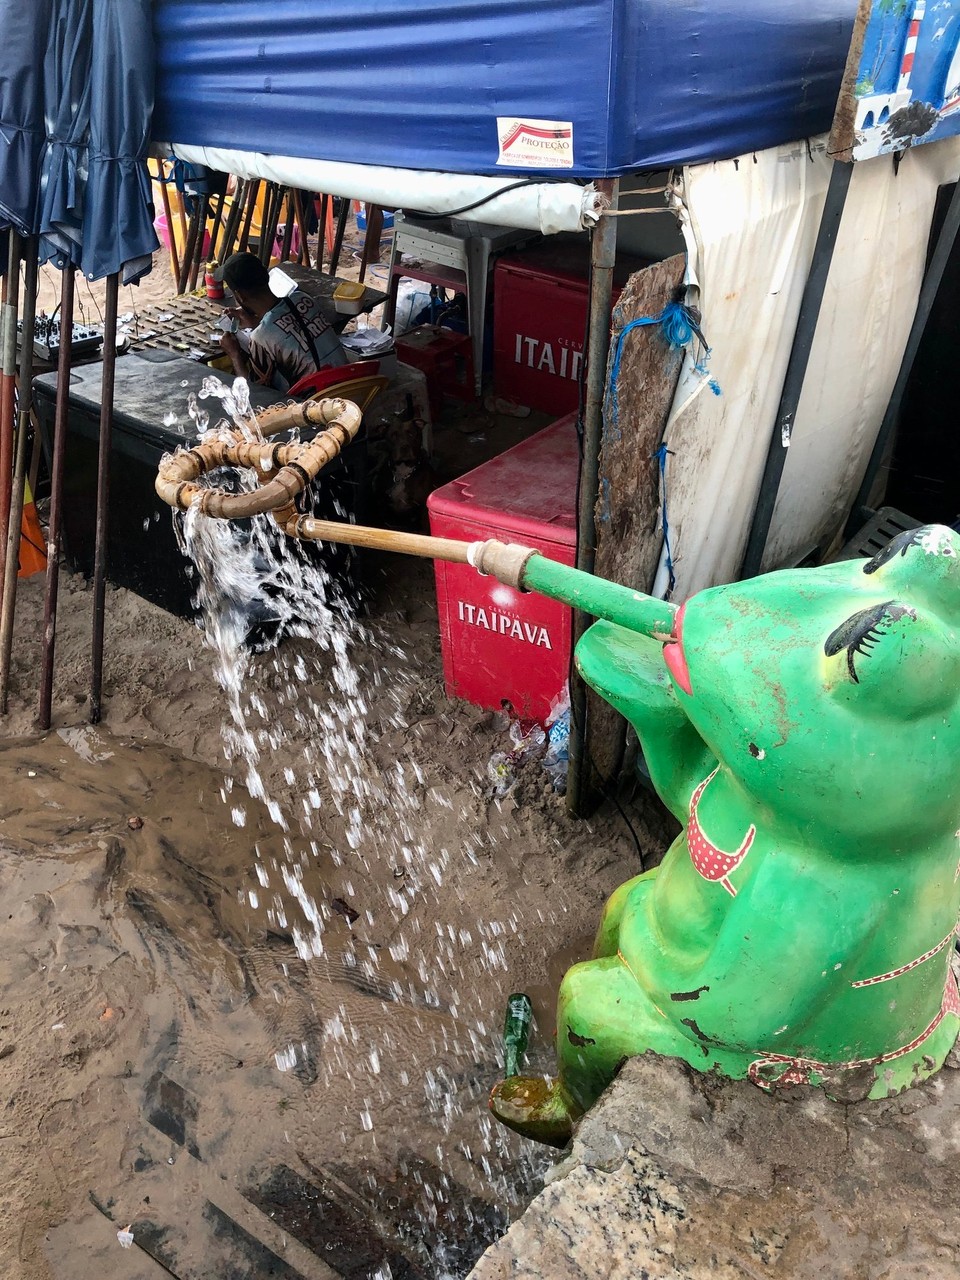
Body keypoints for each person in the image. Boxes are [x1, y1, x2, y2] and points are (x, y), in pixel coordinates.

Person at [215, 251, 348, 393]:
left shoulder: (260, 338)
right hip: (349, 385)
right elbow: (292, 329)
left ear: (240, 296)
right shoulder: (302, 298)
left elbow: (253, 395)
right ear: (266, 277)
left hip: (315, 403)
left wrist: (234, 355)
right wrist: (256, 322)